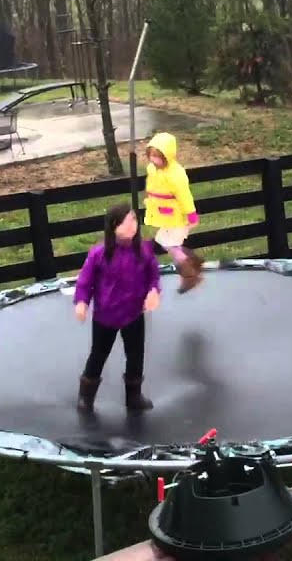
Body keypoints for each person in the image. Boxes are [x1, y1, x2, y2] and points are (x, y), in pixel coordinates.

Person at [73, 202, 162, 414]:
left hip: (133, 313)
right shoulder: (99, 254)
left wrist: (153, 292)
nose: (132, 225)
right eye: (126, 221)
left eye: (134, 219)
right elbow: (85, 282)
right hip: (106, 315)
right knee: (98, 355)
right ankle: (86, 397)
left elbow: (154, 277)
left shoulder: (144, 251)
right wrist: (82, 302)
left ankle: (134, 397)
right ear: (113, 226)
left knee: (135, 355)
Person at [142, 131, 205, 292]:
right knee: (168, 243)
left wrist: (191, 214)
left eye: (158, 156)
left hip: (176, 217)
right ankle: (193, 262)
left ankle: (190, 274)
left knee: (169, 244)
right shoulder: (152, 169)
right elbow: (153, 188)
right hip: (165, 216)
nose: (154, 159)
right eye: (152, 155)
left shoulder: (176, 174)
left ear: (167, 156)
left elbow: (184, 195)